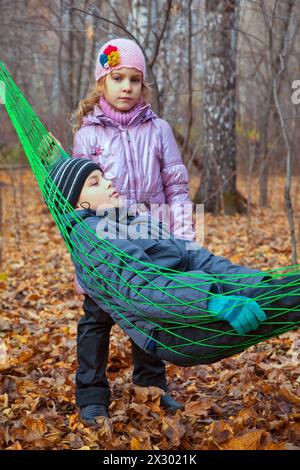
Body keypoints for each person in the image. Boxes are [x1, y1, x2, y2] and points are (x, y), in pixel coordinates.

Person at [46, 157, 300, 401]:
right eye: (94, 182)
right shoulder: (91, 237)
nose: (109, 182)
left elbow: (197, 258)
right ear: (77, 205)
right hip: (175, 331)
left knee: (281, 293)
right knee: (289, 299)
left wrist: (256, 282)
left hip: (189, 305)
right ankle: (93, 398)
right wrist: (211, 301)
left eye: (103, 176)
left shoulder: (131, 219)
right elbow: (142, 288)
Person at [69, 38, 195, 423]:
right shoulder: (88, 136)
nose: (126, 87)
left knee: (150, 313)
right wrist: (84, 260)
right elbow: (78, 205)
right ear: (101, 83)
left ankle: (152, 385)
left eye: (134, 80)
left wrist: (184, 240)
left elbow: (176, 187)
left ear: (143, 86)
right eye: (117, 77)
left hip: (151, 242)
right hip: (105, 247)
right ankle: (92, 395)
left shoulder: (159, 130)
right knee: (97, 318)